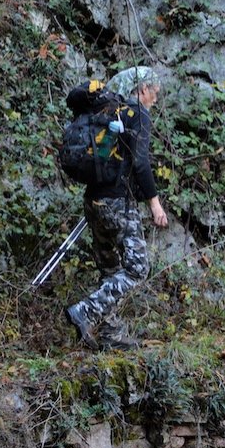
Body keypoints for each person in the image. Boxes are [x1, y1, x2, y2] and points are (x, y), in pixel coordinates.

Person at [65, 66, 168, 349]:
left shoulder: (106, 112)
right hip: (117, 202)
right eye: (155, 93)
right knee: (137, 268)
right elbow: (140, 163)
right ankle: (85, 311)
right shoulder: (136, 114)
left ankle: (112, 336)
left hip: (93, 201)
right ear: (143, 89)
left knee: (111, 270)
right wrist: (155, 205)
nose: (155, 99)